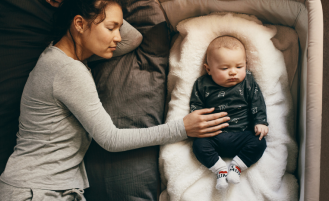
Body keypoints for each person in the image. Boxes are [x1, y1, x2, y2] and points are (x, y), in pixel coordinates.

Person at [0, 0, 230, 200]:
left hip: (50, 188)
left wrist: (85, 6)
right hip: (35, 190)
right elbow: (111, 139)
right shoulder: (66, 71)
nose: (118, 37)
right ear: (79, 24)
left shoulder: (64, 58)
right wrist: (182, 128)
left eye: (118, 27)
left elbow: (133, 39)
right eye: (111, 28)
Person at [190, 36, 268, 190]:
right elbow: (196, 106)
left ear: (246, 65)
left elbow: (257, 101)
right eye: (224, 69)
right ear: (208, 69)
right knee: (198, 146)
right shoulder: (202, 84)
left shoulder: (248, 82)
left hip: (243, 134)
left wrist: (260, 122)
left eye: (239, 67)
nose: (233, 72)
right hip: (213, 135)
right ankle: (220, 169)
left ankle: (236, 167)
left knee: (260, 142)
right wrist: (199, 126)